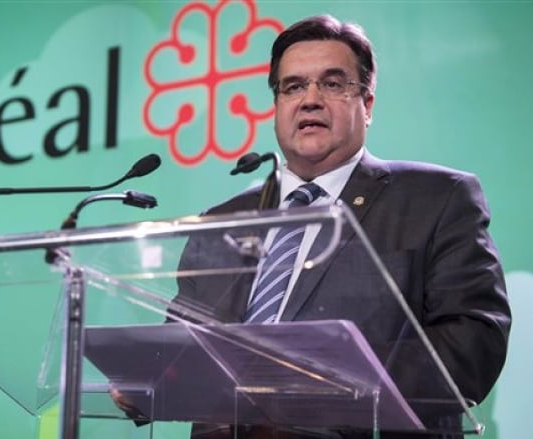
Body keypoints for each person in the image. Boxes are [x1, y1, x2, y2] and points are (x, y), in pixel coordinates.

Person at [164, 14, 511, 439]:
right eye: (293, 86)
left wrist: (323, 379)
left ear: (367, 105)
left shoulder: (436, 198)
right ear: (277, 107)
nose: (309, 100)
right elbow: (177, 350)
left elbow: (473, 346)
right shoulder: (221, 221)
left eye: (332, 84)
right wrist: (146, 380)